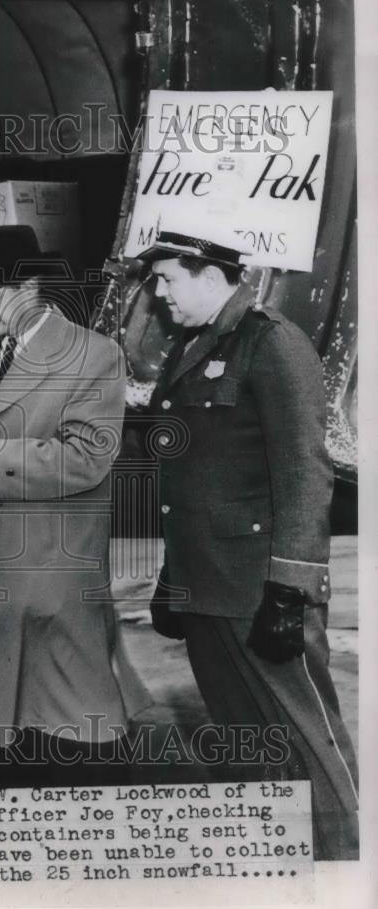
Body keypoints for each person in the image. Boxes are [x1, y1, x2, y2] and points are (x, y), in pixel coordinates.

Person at [139, 230, 359, 860]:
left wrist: (293, 586)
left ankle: (344, 875)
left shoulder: (273, 343)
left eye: (168, 280)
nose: (158, 294)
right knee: (244, 743)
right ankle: (282, 870)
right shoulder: (195, 346)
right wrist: (171, 577)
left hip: (261, 587)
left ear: (211, 277)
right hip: (207, 585)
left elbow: (304, 473)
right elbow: (187, 480)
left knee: (308, 743)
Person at [0, 225, 151, 785]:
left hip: (52, 559)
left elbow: (85, 459)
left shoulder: (94, 356)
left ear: (29, 287)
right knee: (4, 714)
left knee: (74, 713)